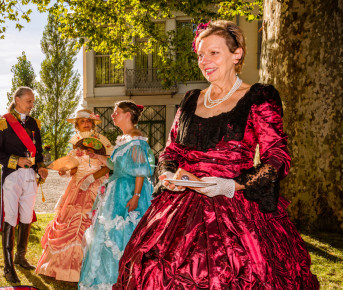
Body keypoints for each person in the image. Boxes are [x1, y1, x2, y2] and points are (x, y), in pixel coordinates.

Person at [115, 21, 319, 289]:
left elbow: (276, 157)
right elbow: (171, 150)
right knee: (155, 269)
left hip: (235, 208)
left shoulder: (259, 97)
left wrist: (232, 185)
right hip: (179, 209)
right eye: (201, 54)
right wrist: (167, 174)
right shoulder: (190, 99)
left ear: (237, 54)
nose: (204, 61)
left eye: (214, 53)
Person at [78, 101, 153, 289]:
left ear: (128, 115)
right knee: (108, 234)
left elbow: (140, 171)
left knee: (123, 234)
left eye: (116, 112)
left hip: (128, 191)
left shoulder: (136, 140)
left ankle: (126, 279)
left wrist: (136, 196)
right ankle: (109, 279)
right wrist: (99, 157)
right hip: (117, 190)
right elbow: (114, 165)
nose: (113, 115)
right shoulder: (124, 139)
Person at [35, 109, 112, 282]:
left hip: (95, 184)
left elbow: (108, 166)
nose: (86, 124)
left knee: (89, 221)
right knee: (69, 220)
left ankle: (86, 267)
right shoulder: (76, 144)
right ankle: (62, 267)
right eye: (82, 121)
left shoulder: (100, 142)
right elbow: (76, 167)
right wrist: (66, 171)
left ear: (93, 123)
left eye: (89, 121)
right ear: (77, 125)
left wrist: (92, 178)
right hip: (76, 186)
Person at [0, 86, 49, 283]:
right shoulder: (2, 122)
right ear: (17, 99)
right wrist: (15, 160)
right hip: (12, 176)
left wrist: (41, 166)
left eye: (33, 101)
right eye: (29, 101)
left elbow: (38, 151)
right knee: (11, 216)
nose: (32, 105)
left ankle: (20, 258)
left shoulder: (33, 123)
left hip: (30, 176)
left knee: (25, 215)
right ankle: (8, 267)